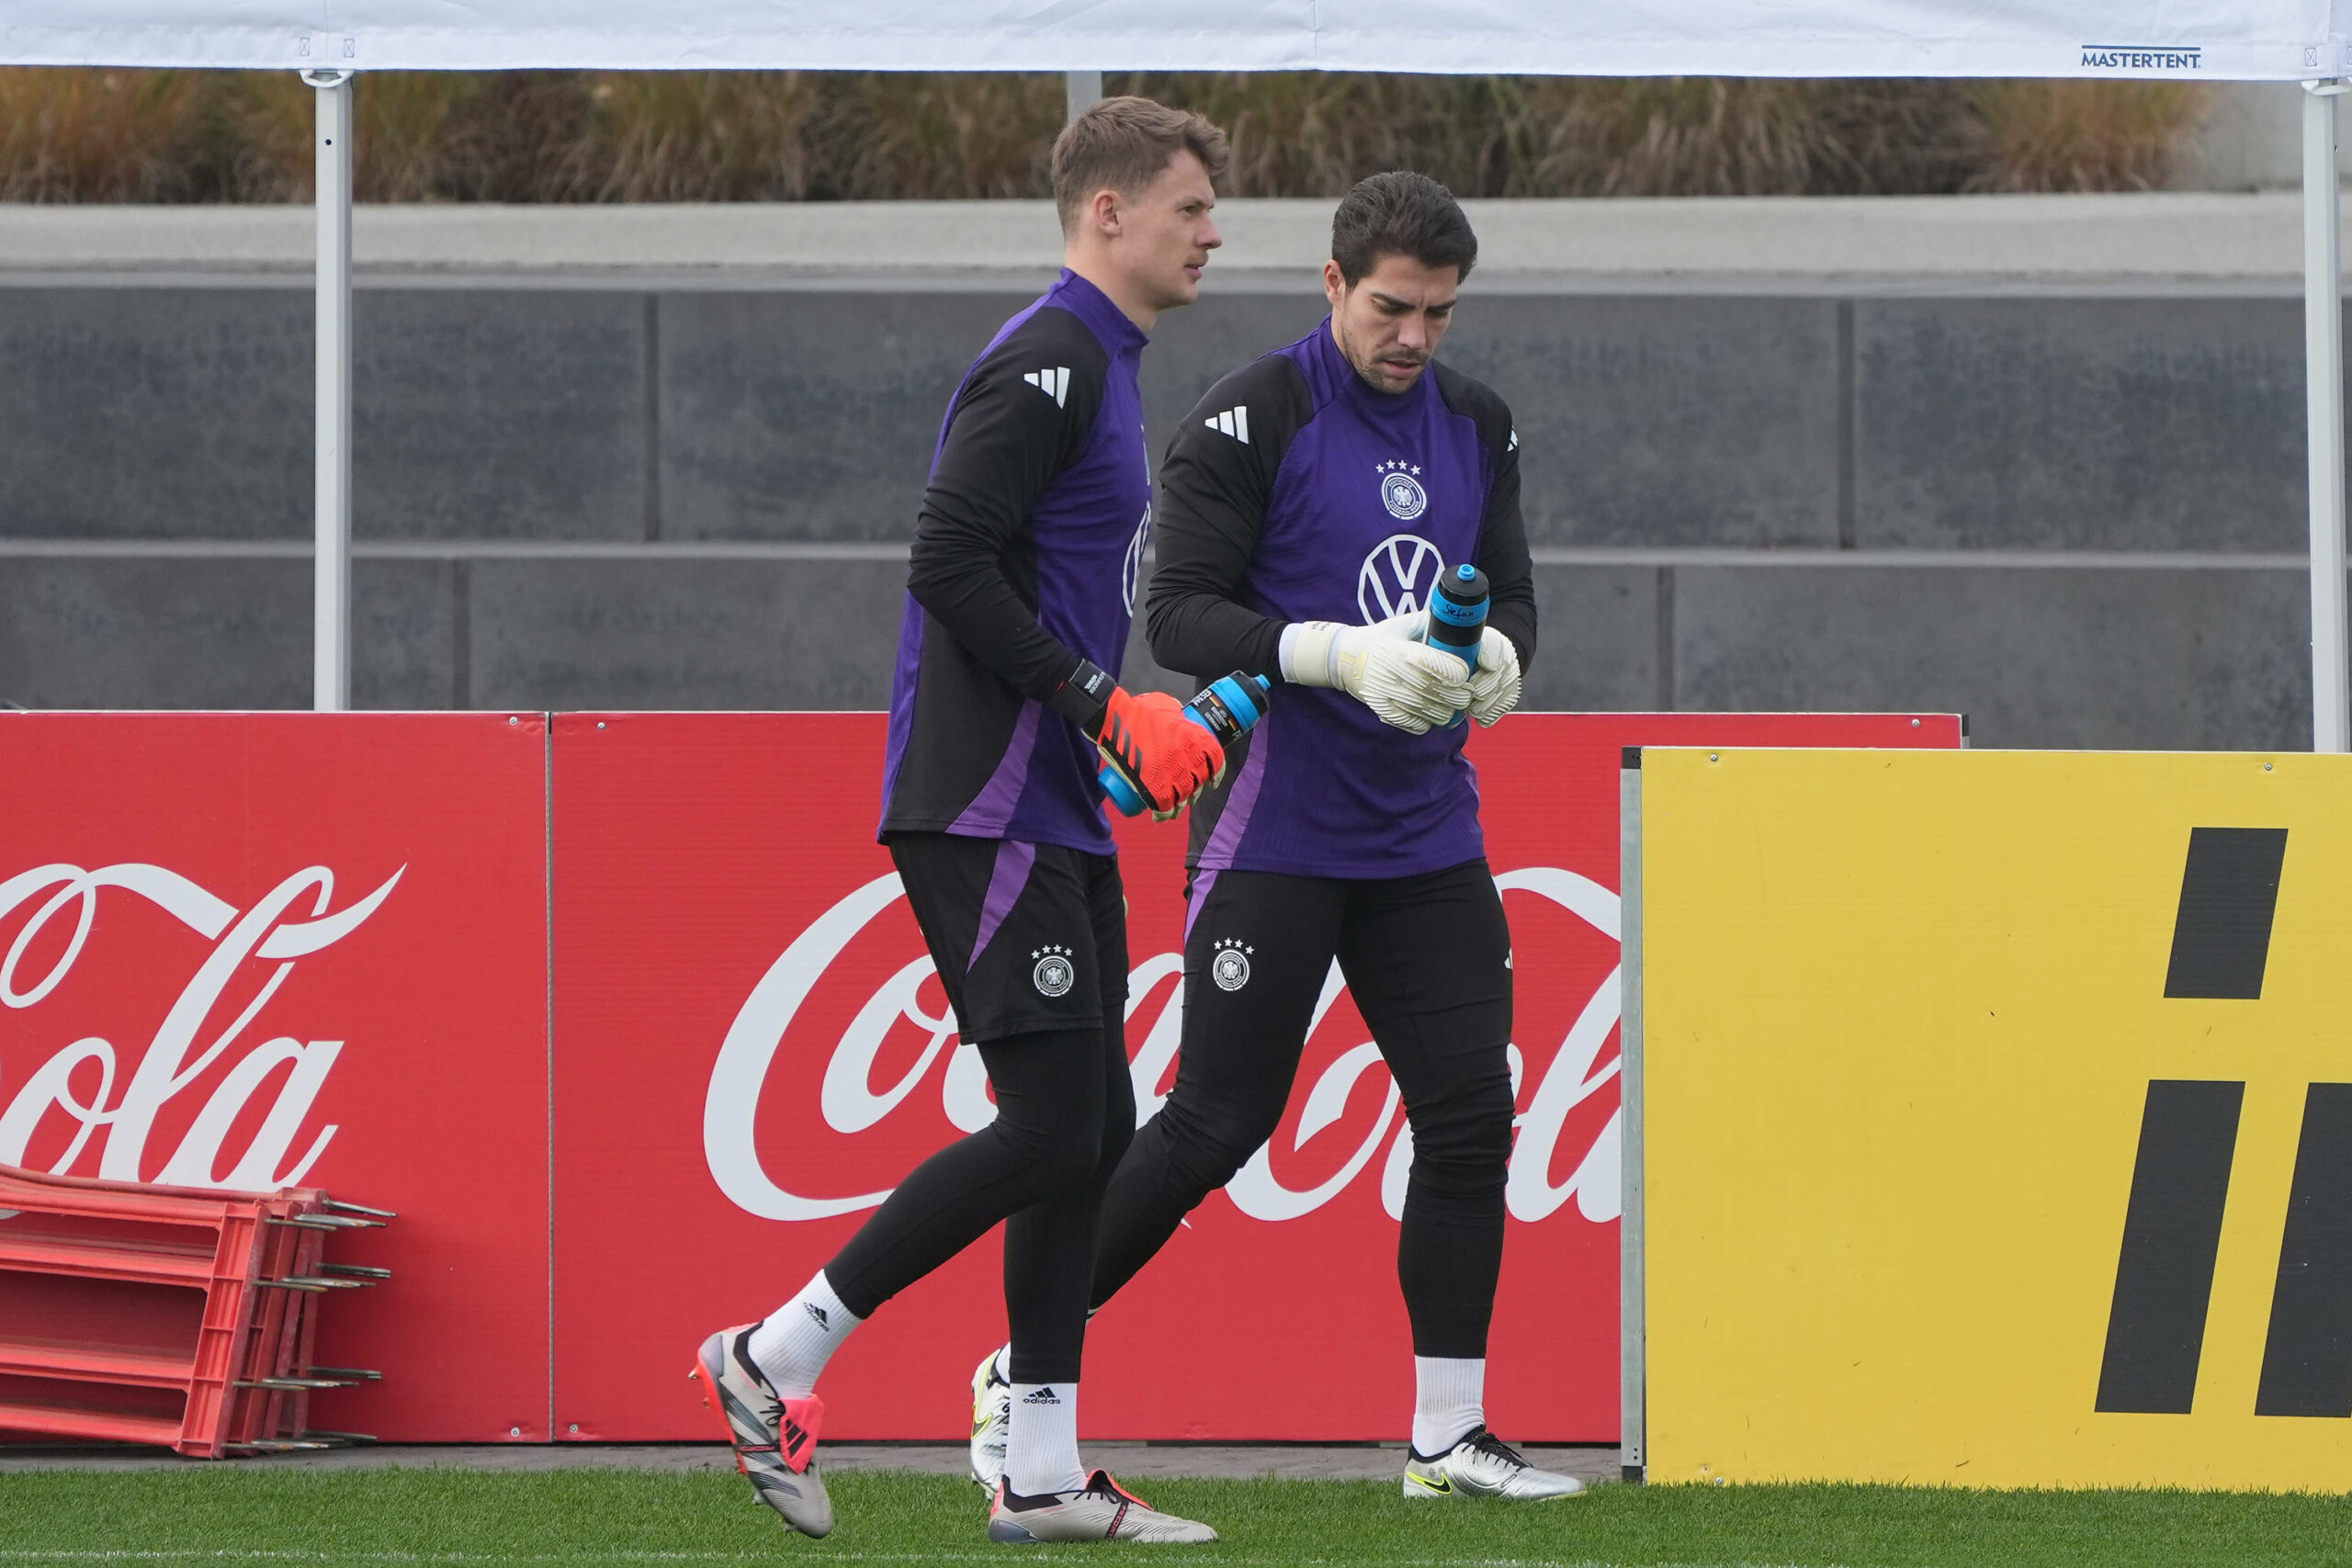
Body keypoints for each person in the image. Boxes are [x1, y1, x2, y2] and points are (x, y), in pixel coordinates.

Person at [966, 171, 1582, 1505]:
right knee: (1215, 1123)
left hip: (1426, 833)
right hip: (1275, 832)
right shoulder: (1255, 414)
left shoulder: (1478, 423)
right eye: (1392, 308)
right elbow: (1177, 617)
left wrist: (1500, 668)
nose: (1415, 338)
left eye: (1441, 314)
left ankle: (1447, 1437)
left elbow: (1518, 594)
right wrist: (1336, 654)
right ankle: (1020, 1376)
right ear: (1332, 284)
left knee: (1472, 1116)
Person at [691, 98, 1233, 1546]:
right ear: (1106, 212)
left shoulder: (1103, 365)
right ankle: (774, 1354)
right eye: (1189, 206)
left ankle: (1044, 1468)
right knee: (1059, 1124)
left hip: (1048, 802)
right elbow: (944, 557)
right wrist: (1107, 705)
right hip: (986, 804)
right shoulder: (1052, 358)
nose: (1213, 230)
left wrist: (1111, 730)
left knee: (1095, 1123)